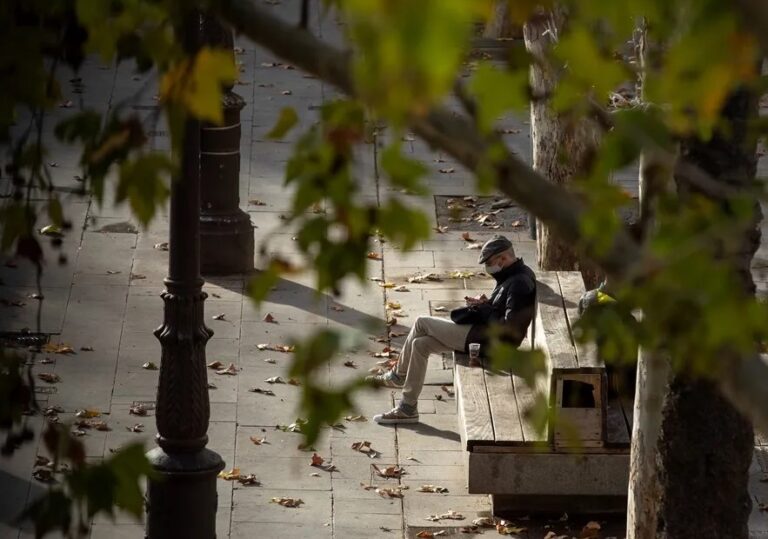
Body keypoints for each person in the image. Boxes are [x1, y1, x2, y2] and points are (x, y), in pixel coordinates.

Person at [368, 235, 537, 424]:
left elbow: (510, 331)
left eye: (489, 263)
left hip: (489, 343)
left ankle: (397, 376)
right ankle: (408, 408)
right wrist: (486, 303)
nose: (488, 268)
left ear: (503, 258)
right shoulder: (512, 275)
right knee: (420, 345)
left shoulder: (519, 283)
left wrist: (484, 308)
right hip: (482, 334)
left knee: (422, 323)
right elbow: (504, 311)